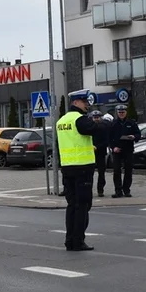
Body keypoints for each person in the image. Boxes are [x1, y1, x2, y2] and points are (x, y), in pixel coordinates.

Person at [56, 90, 103, 251]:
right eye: (84, 102)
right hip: (82, 168)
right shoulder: (79, 119)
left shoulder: (61, 121)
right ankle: (78, 240)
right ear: (76, 103)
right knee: (82, 206)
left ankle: (70, 240)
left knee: (72, 205)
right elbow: (95, 129)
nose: (87, 105)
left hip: (67, 168)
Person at [110, 104, 141, 198]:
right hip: (117, 150)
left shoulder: (131, 123)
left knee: (128, 171)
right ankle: (118, 191)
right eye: (119, 112)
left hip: (128, 149)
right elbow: (108, 138)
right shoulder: (113, 123)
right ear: (117, 113)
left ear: (126, 112)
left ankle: (126, 190)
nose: (121, 114)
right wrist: (113, 147)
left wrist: (134, 137)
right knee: (116, 171)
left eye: (123, 112)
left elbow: (138, 134)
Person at [90, 111, 111, 197]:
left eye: (97, 117)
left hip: (101, 152)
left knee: (101, 172)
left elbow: (106, 141)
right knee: (89, 173)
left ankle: (100, 190)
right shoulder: (89, 128)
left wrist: (97, 147)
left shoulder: (104, 127)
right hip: (89, 153)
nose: (96, 119)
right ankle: (89, 190)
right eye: (95, 117)